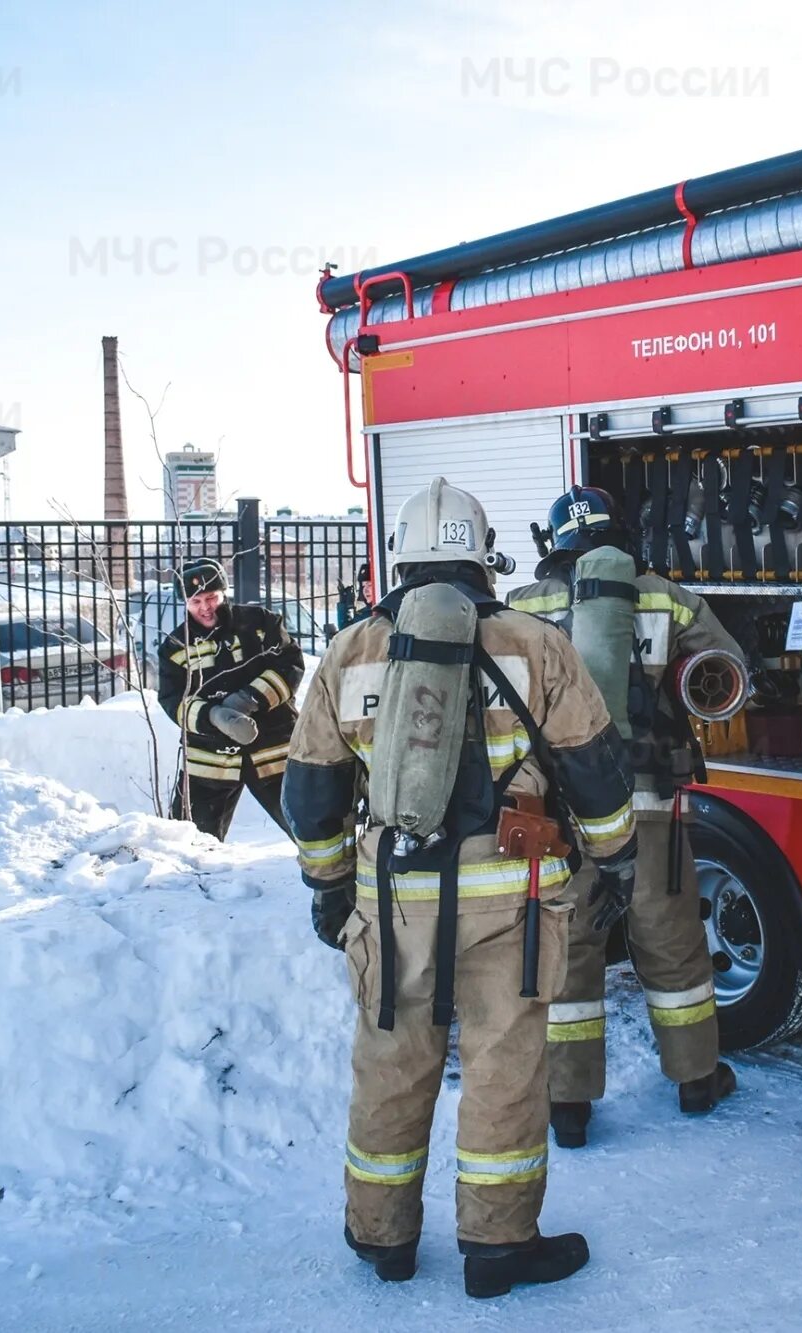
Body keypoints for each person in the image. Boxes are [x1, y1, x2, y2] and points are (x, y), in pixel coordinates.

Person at [282, 478, 639, 1299]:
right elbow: (596, 773)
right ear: (483, 555)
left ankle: (382, 1238)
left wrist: (331, 885)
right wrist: (617, 861)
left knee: (391, 1059)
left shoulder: (350, 650)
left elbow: (312, 791)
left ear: (402, 554)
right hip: (512, 899)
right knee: (505, 1066)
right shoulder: (536, 644)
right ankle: (499, 1244)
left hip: (393, 899)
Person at [506, 485, 742, 1148]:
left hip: (563, 810)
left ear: (552, 543)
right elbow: (725, 671)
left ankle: (569, 1104)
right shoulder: (665, 595)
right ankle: (697, 1078)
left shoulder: (524, 608)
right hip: (651, 805)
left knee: (571, 946)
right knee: (670, 941)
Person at [155, 557, 303, 840]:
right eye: (196, 601)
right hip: (209, 760)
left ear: (224, 592)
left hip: (274, 750)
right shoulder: (174, 648)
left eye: (211, 597)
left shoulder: (261, 623)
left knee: (310, 829)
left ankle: (335, 881)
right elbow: (173, 700)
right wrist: (215, 717)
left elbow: (290, 666)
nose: (205, 607)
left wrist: (247, 700)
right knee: (190, 842)